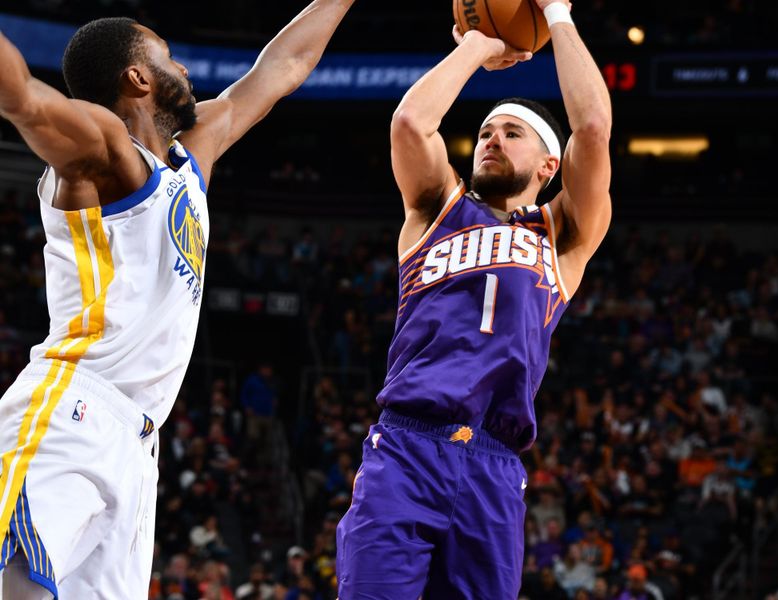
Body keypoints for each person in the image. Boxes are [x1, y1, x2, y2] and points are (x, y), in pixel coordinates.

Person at [0, 1, 356, 597]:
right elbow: (27, 101)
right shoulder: (108, 151)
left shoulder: (192, 157)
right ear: (137, 78)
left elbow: (284, 65)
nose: (184, 68)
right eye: (167, 57)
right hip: (73, 409)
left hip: (139, 447)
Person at [336, 0, 612, 597]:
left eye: (510, 133)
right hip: (406, 447)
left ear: (548, 164)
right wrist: (481, 45)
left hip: (493, 463)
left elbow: (592, 129)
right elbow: (411, 124)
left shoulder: (561, 236)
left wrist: (557, 14)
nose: (491, 139)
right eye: (485, 131)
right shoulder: (437, 207)